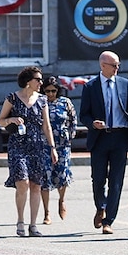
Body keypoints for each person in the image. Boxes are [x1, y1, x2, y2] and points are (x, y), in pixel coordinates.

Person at [80, 51, 128, 235]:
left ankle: (109, 220)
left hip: (120, 137)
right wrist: (92, 123)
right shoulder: (90, 87)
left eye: (118, 65)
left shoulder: (124, 84)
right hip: (99, 138)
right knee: (98, 179)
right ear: (102, 65)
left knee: (116, 181)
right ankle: (101, 206)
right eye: (114, 65)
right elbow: (84, 113)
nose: (117, 68)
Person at [0, 66, 57, 238]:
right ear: (27, 81)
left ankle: (33, 225)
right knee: (22, 182)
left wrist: (52, 148)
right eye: (38, 79)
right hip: (18, 145)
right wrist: (12, 120)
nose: (41, 82)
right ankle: (20, 221)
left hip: (37, 146)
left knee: (36, 185)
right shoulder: (12, 98)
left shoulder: (42, 100)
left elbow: (46, 126)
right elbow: (1, 121)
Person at [40, 75, 77, 225]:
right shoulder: (40, 102)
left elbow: (73, 120)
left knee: (62, 174)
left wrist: (70, 137)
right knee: (44, 176)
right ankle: (46, 212)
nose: (50, 94)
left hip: (62, 144)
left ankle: (61, 200)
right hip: (44, 145)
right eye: (47, 91)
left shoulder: (65, 102)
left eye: (53, 91)